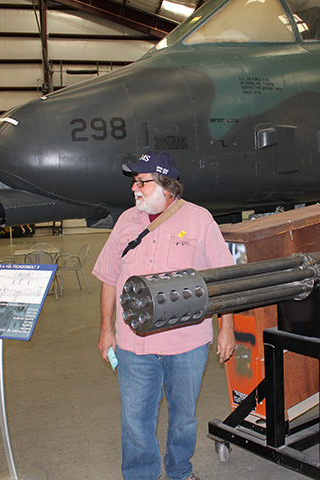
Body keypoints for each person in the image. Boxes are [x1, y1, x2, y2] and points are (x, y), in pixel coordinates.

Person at [92, 151, 236, 480]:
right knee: (134, 419)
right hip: (133, 343)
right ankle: (140, 475)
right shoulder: (126, 221)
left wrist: (226, 329)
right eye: (134, 182)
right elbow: (108, 277)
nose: (134, 188)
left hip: (187, 343)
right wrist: (105, 329)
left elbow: (223, 278)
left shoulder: (200, 220)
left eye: (141, 182)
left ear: (166, 185)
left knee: (183, 418)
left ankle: (179, 472)